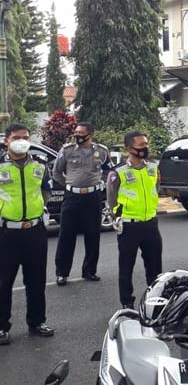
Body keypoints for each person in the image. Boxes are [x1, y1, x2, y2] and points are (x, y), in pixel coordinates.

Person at [0, 123, 54, 345]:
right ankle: (1, 327)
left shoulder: (39, 165)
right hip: (6, 232)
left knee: (36, 280)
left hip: (35, 231)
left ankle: (37, 322)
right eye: (16, 137)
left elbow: (46, 191)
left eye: (25, 137)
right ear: (7, 141)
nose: (21, 141)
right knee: (3, 282)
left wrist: (37, 211)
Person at [107, 131, 162, 309]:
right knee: (126, 266)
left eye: (146, 144)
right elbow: (111, 198)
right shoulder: (118, 172)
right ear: (129, 148)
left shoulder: (153, 167)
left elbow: (156, 188)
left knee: (155, 267)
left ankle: (154, 300)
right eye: (141, 145)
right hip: (129, 226)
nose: (145, 148)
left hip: (150, 223)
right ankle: (127, 303)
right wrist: (117, 217)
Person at [53, 122, 111, 286]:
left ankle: (89, 271)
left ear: (90, 135)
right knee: (66, 235)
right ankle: (62, 273)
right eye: (76, 132)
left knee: (93, 234)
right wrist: (69, 186)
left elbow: (109, 170)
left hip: (93, 197)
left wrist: (101, 183)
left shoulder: (101, 151)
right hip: (72, 197)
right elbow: (57, 172)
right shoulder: (67, 150)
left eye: (81, 133)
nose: (77, 135)